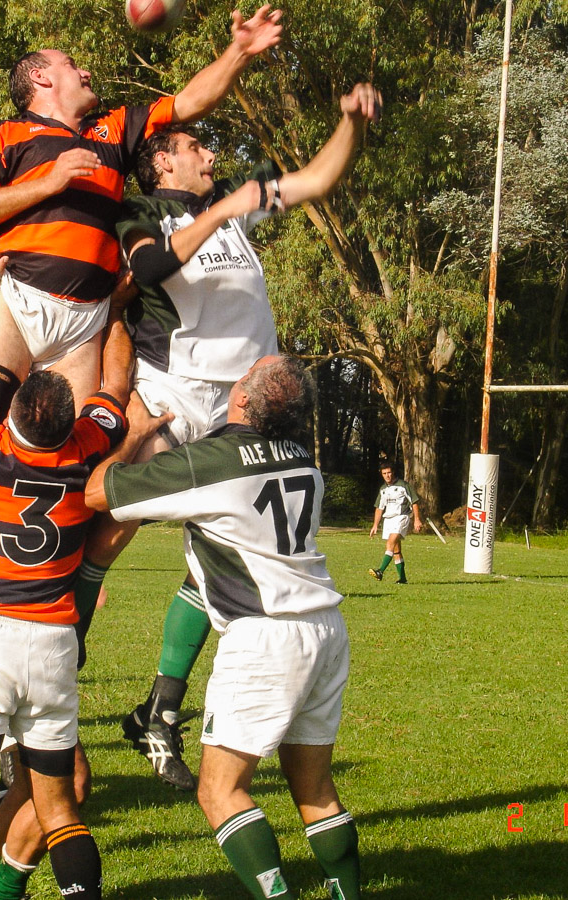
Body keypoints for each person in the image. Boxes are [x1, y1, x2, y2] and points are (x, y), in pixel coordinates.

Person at [74, 82, 381, 790]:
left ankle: (160, 710)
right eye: (194, 146)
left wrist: (349, 124)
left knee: (223, 562)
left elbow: (316, 178)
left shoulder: (232, 206)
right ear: (163, 166)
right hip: (175, 396)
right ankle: (53, 681)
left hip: (245, 408)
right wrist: (220, 211)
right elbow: (149, 268)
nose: (209, 153)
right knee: (105, 526)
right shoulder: (141, 211)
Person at [0, 250, 159, 900]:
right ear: (67, 421)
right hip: (52, 643)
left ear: (15, 408)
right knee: (58, 811)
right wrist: (113, 308)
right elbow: (114, 387)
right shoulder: (85, 452)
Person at [87, 355, 361, 900]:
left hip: (266, 636)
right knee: (315, 788)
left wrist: (134, 434)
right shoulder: (303, 459)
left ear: (242, 399)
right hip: (326, 627)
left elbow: (99, 492)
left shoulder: (213, 462)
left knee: (219, 792)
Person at [0, 6, 284, 407]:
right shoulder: (3, 135)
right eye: (71, 65)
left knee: (73, 447)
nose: (85, 72)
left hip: (87, 315)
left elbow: (189, 103)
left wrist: (240, 52)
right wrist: (50, 181)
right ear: (40, 76)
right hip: (20, 295)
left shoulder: (114, 126)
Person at [367, 461, 421, 584]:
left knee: (391, 543)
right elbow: (379, 508)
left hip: (401, 517)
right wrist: (375, 525)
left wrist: (417, 519)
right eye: (384, 473)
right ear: (381, 474)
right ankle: (402, 579)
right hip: (388, 520)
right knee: (396, 550)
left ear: (393, 472)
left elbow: (414, 502)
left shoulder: (403, 485)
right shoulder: (383, 489)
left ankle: (380, 571)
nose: (387, 475)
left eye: (389, 472)